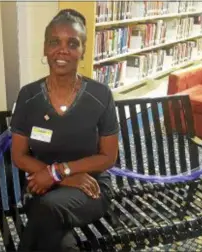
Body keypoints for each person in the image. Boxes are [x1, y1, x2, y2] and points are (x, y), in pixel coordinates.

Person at [10, 8, 119, 252]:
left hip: (89, 187)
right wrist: (61, 177)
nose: (62, 50)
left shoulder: (100, 96)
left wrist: (59, 172)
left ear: (83, 51)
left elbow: (108, 157)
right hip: (42, 184)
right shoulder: (28, 96)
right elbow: (18, 155)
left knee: (46, 210)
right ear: (45, 49)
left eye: (72, 43)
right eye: (54, 42)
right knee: (56, 237)